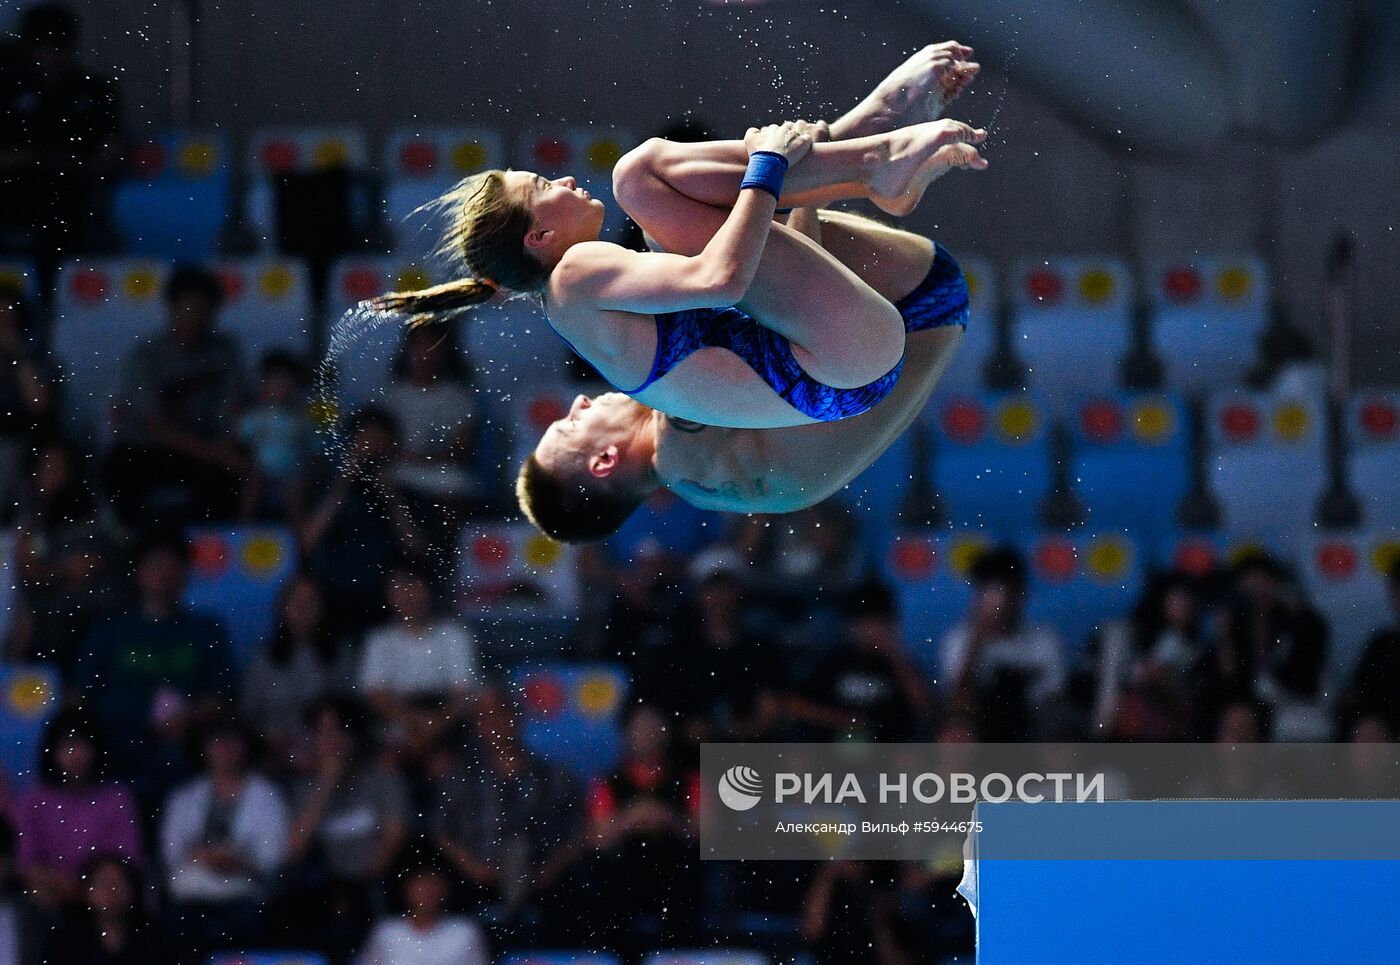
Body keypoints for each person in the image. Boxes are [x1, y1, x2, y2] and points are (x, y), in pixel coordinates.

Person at [373, 43, 984, 429]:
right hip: (832, 361)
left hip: (838, 362)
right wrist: (765, 169)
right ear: (539, 235)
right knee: (637, 178)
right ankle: (874, 156)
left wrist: (778, 169)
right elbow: (719, 281)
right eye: (541, 185)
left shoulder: (582, 292)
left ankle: (872, 147)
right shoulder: (574, 277)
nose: (561, 177)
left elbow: (744, 253)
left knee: (654, 192)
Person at [516, 204, 968, 541]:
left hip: (918, 320)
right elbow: (775, 296)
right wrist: (796, 184)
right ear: (604, 461)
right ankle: (862, 162)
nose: (579, 402)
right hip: (908, 310)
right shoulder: (678, 433)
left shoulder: (697, 480)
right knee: (674, 219)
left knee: (707, 243)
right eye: (571, 425)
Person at [104, 264, 249, 529]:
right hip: (150, 451)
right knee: (119, 468)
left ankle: (221, 549)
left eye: (206, 309)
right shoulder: (146, 355)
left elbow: (235, 406)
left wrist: (228, 444)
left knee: (237, 470)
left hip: (206, 447)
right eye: (190, 307)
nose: (198, 316)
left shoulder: (225, 350)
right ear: (172, 307)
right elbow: (152, 424)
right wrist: (214, 453)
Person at [159, 718, 289, 959]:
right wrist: (205, 857)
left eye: (232, 740)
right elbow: (171, 855)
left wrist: (237, 862)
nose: (225, 748)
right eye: (217, 741)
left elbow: (272, 859)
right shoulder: (183, 798)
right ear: (204, 748)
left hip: (244, 899)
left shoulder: (267, 796)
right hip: (190, 900)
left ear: (245, 746)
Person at [12, 711, 143, 917]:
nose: (75, 754)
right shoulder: (34, 800)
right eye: (66, 746)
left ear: (96, 749)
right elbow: (25, 865)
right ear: (52, 751)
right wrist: (66, 887)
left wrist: (91, 891)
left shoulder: (117, 798)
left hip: (106, 898)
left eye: (81, 745)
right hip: (51, 897)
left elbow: (127, 862)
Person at [362, 844, 489, 965]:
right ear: (406, 888)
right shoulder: (387, 932)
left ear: (445, 889)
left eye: (433, 883)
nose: (427, 891)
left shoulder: (464, 932)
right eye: (420, 884)